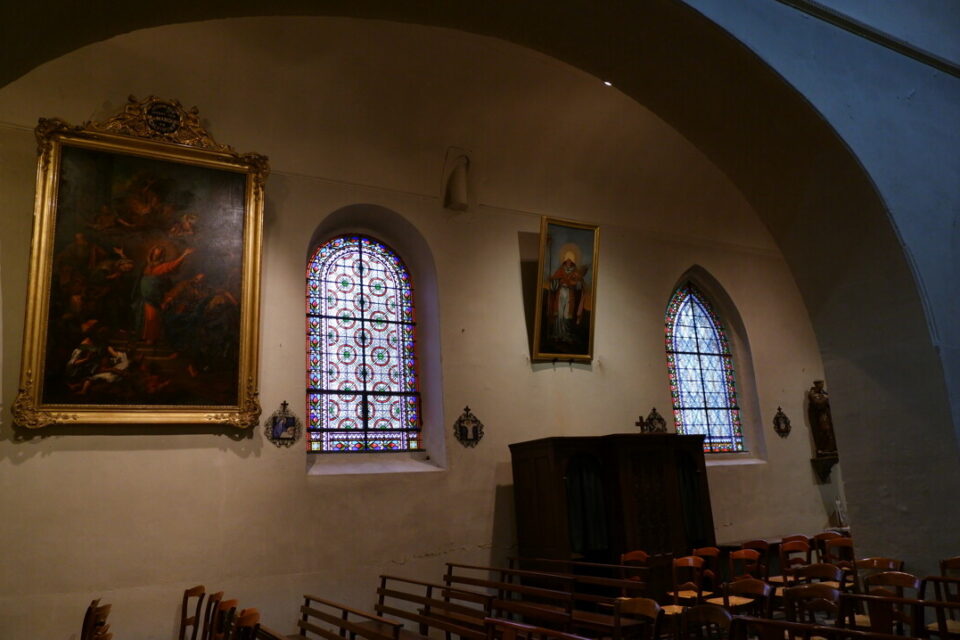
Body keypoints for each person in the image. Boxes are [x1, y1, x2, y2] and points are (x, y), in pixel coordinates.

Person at [132, 245, 194, 344]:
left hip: (155, 297)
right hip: (144, 296)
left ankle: (151, 337)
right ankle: (142, 336)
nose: (156, 255)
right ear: (151, 253)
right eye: (155, 253)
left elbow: (174, 264)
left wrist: (184, 254)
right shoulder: (145, 266)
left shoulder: (163, 266)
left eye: (159, 254)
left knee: (152, 317)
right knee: (143, 317)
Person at [548, 251, 586, 344]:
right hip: (560, 293)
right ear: (565, 260)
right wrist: (557, 281)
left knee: (566, 314)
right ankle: (557, 334)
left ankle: (566, 334)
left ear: (573, 261)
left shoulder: (575, 271)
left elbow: (579, 285)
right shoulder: (560, 270)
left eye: (570, 260)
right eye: (567, 260)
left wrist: (576, 282)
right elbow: (554, 281)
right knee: (559, 313)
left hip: (570, 294)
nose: (569, 262)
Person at [807, 379, 838, 455]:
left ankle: (831, 448)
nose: (822, 385)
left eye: (823, 384)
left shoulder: (823, 393)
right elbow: (818, 404)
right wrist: (826, 399)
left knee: (830, 431)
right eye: (821, 384)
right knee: (824, 431)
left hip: (826, 415)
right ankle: (825, 448)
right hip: (820, 417)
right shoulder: (812, 393)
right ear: (816, 384)